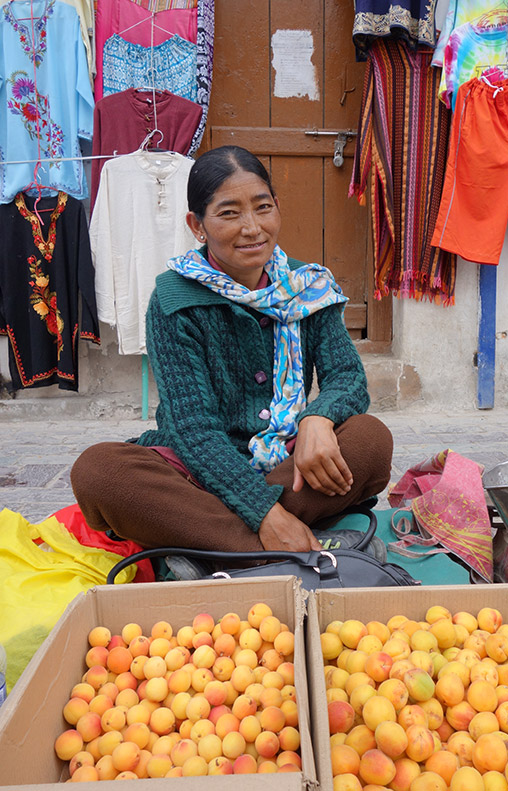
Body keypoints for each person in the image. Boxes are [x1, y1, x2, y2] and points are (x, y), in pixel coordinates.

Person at [71, 145, 393, 555]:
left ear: (277, 207)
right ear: (197, 225)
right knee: (100, 472)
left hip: (286, 461)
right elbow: (193, 429)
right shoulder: (173, 300)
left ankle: (214, 545)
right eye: (229, 213)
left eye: (262, 207)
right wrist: (264, 513)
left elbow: (347, 378)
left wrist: (318, 418)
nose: (252, 228)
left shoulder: (307, 286)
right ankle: (280, 541)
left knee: (369, 440)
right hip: (198, 468)